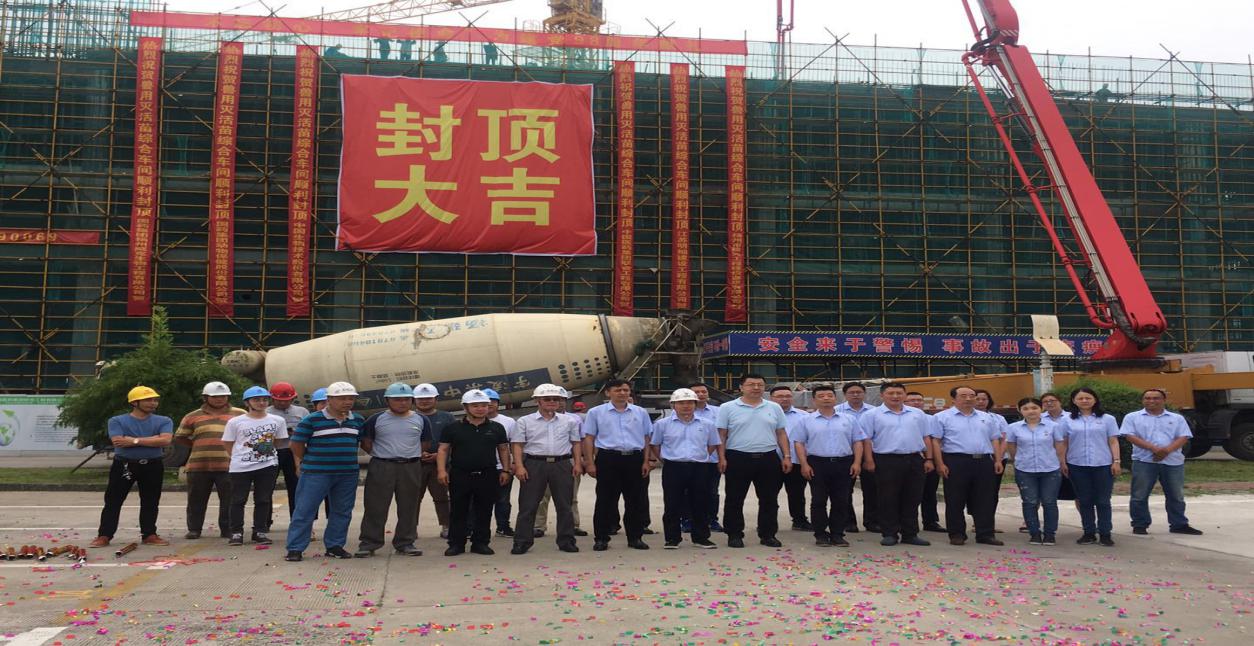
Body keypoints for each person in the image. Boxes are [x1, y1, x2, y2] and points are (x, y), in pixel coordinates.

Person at [284, 382, 365, 562]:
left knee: (342, 511)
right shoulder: (312, 420)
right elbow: (296, 444)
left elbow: (359, 442)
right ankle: (295, 548)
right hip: (316, 473)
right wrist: (308, 460)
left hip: (347, 473)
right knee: (305, 510)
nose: (347, 402)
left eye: (351, 398)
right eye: (342, 398)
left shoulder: (357, 420)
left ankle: (335, 546)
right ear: (329, 399)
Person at [90, 386, 174, 548]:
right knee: (113, 500)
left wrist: (133, 440)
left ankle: (149, 534)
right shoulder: (117, 421)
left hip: (153, 464)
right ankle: (104, 535)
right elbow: (118, 441)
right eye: (148, 400)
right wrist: (152, 439)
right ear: (135, 402)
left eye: (155, 400)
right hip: (124, 464)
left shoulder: (164, 420)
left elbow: (165, 440)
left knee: (151, 500)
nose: (153, 403)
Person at [717, 373, 791, 549]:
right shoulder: (727, 407)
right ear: (741, 387)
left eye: (760, 384)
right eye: (751, 384)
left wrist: (787, 456)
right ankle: (734, 534)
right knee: (735, 498)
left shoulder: (774, 407)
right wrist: (721, 457)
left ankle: (768, 534)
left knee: (769, 499)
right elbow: (722, 435)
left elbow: (781, 433)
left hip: (768, 457)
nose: (756, 388)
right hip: (737, 457)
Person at [355, 383, 428, 558]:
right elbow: (366, 443)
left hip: (410, 466)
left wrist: (409, 455)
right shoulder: (376, 419)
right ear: (387, 400)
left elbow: (425, 443)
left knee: (409, 506)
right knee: (375, 505)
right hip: (382, 466)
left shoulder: (421, 419)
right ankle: (369, 543)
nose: (402, 403)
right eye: (397, 399)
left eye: (406, 399)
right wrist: (383, 454)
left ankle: (405, 542)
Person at [510, 384, 583, 554]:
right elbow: (517, 445)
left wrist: (577, 463)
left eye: (555, 399)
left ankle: (566, 541)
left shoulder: (569, 421)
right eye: (547, 399)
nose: (552, 402)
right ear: (537, 401)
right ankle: (522, 541)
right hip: (534, 464)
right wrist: (519, 466)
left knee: (565, 505)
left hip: (562, 464)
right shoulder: (525, 421)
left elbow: (575, 443)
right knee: (528, 505)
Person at [1121, 389, 1204, 536]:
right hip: (1144, 461)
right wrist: (1153, 449)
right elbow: (1129, 436)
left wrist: (1166, 451)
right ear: (1142, 400)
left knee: (1176, 495)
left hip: (1172, 461)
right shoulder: (1132, 417)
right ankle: (1140, 524)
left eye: (1156, 398)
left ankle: (1179, 524)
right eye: (1147, 398)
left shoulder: (1176, 418)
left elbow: (1183, 437)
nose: (1151, 401)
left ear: (1163, 400)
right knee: (1139, 495)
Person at [582, 379, 653, 551]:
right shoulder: (596, 412)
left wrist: (646, 461)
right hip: (608, 459)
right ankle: (601, 538)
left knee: (635, 500)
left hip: (634, 459)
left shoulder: (640, 412)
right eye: (618, 390)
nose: (622, 393)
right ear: (608, 393)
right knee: (605, 500)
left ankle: (635, 537)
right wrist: (590, 462)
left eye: (626, 390)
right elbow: (589, 438)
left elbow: (646, 437)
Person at [438, 389, 510, 556]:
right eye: (475, 405)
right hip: (460, 474)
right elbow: (443, 450)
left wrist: (506, 470)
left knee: (484, 509)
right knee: (458, 510)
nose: (480, 409)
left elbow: (503, 449)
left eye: (484, 405)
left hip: (487, 474)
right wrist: (441, 471)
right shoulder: (452, 428)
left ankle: (481, 543)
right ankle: (456, 544)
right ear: (465, 407)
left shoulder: (496, 428)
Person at [929, 385, 1004, 546]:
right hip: (956, 461)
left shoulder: (986, 417)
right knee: (955, 498)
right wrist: (940, 463)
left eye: (972, 395)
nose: (969, 399)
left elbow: (995, 439)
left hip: (984, 461)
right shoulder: (942, 417)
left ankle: (985, 534)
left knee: (985, 499)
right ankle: (957, 534)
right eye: (963, 396)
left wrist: (997, 460)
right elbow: (936, 441)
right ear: (953, 399)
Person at [860, 382, 933, 547]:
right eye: (891, 393)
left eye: (899, 393)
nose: (895, 396)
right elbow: (866, 439)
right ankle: (889, 533)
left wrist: (929, 459)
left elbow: (926, 437)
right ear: (882, 395)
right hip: (886, 460)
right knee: (887, 497)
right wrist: (868, 460)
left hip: (914, 459)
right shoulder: (871, 415)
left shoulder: (917, 414)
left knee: (913, 497)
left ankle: (910, 533)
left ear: (905, 395)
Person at [651, 388, 723, 550]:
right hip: (673, 467)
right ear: (673, 405)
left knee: (700, 502)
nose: (686, 406)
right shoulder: (662, 424)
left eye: (690, 402)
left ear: (695, 404)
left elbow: (712, 444)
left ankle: (701, 537)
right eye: (681, 403)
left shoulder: (707, 424)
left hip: (700, 467)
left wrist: (702, 455)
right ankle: (672, 538)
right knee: (672, 503)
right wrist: (664, 459)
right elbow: (655, 444)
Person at [792, 385, 863, 547]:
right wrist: (804, 464)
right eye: (821, 396)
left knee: (841, 500)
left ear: (835, 398)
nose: (826, 398)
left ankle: (837, 534)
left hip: (843, 463)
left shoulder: (849, 419)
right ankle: (820, 534)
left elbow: (857, 441)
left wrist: (857, 462)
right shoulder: (806, 420)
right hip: (817, 463)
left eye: (829, 395)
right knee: (818, 500)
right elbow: (799, 443)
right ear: (814, 400)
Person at [174, 381, 242, 540]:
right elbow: (180, 437)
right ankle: (194, 529)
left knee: (229, 500)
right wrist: (198, 444)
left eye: (223, 396)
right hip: (199, 465)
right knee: (196, 500)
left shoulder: (240, 414)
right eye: (215, 396)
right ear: (205, 397)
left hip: (229, 465)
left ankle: (227, 529)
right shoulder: (192, 416)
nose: (220, 399)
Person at [221, 386, 287, 546]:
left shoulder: (277, 421)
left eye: (264, 399)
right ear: (247, 402)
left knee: (263, 499)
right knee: (238, 500)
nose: (261, 403)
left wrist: (265, 453)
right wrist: (239, 457)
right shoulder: (235, 422)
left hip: (268, 465)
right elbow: (228, 443)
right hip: (240, 467)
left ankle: (260, 531)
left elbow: (279, 441)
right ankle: (236, 532)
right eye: (256, 400)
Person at [1059, 387, 1121, 546]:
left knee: (1103, 501)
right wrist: (1062, 461)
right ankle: (1089, 533)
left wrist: (1116, 461)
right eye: (1080, 398)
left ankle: (1105, 533)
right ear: (1074, 401)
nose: (1084, 401)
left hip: (1103, 464)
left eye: (1088, 398)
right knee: (1084, 500)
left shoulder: (1107, 419)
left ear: (1095, 399)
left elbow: (1113, 441)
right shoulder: (1067, 420)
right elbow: (1064, 442)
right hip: (1077, 464)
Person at [1005, 397, 1066, 546]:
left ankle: (1050, 534)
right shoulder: (1013, 427)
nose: (1030, 411)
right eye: (1026, 408)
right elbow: (1012, 447)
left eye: (1034, 408)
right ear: (1020, 410)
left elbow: (1059, 446)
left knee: (1049, 502)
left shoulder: (1053, 426)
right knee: (1029, 502)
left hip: (1050, 469)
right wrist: (1018, 460)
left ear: (1041, 409)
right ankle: (1034, 533)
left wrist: (1059, 462)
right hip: (1025, 469)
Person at [533, 389, 588, 538]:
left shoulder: (574, 419)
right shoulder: (533, 420)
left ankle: (573, 525)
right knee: (541, 496)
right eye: (549, 399)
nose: (559, 402)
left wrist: (582, 461)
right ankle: (538, 526)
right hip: (541, 461)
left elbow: (580, 441)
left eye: (561, 399)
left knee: (570, 496)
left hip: (567, 460)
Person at [266, 381, 309, 533]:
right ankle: (264, 522)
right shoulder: (266, 412)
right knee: (266, 488)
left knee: (297, 488)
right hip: (273, 451)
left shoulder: (302, 412)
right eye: (279, 401)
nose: (283, 403)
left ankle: (297, 521)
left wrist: (296, 433)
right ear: (272, 398)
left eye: (287, 400)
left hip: (294, 452)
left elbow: (309, 430)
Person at [414, 383, 454, 539]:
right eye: (420, 399)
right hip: (415, 464)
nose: (424, 401)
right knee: (412, 498)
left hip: (441, 465)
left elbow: (455, 441)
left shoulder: (447, 417)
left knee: (442, 497)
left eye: (428, 398)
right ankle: (410, 528)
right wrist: (418, 453)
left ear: (436, 399)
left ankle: (447, 525)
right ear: (414, 400)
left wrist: (440, 456)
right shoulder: (409, 417)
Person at [837, 382, 876, 533]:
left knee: (872, 489)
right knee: (845, 490)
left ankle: (872, 521)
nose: (855, 395)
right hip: (846, 454)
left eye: (859, 392)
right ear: (844, 395)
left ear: (864, 394)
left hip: (871, 454)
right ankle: (848, 522)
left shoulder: (874, 411)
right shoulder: (837, 411)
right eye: (851, 392)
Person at [772, 385, 811, 531]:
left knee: (797, 493)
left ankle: (799, 520)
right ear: (771, 398)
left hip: (796, 460)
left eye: (788, 396)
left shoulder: (804, 416)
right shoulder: (765, 415)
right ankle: (768, 522)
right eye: (780, 396)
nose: (784, 399)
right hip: (771, 460)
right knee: (769, 494)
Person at [906, 390, 945, 533]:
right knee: (909, 493)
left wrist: (932, 459)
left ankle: (931, 521)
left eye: (919, 400)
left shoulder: (932, 419)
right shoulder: (902, 418)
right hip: (910, 458)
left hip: (929, 459)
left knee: (929, 492)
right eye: (912, 400)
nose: (916, 403)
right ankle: (905, 523)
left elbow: (935, 440)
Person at [688, 382, 724, 533]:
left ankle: (712, 520)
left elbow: (722, 436)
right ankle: (688, 520)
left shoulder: (719, 412)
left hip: (712, 460)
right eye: (697, 392)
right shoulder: (682, 411)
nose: (701, 394)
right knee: (688, 491)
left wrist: (722, 458)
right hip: (690, 460)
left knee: (711, 492)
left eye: (704, 391)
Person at [975, 389, 1012, 527]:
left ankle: (988, 522)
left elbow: (1004, 438)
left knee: (992, 491)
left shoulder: (998, 418)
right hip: (977, 458)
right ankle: (977, 520)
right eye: (977, 399)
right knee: (976, 490)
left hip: (997, 459)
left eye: (984, 399)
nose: (981, 402)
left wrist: (998, 458)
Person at [484, 389, 517, 538]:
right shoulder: (469, 422)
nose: (489, 404)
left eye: (493, 401)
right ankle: (473, 528)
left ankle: (503, 527)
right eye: (485, 401)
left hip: (502, 467)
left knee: (503, 500)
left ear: (498, 404)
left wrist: (513, 464)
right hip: (480, 468)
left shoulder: (508, 422)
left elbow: (514, 444)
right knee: (477, 500)